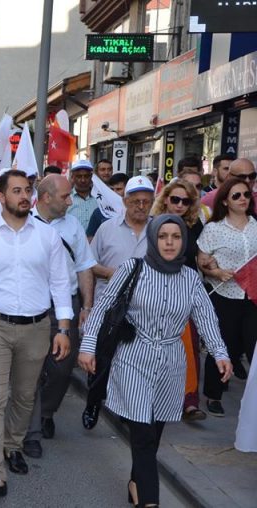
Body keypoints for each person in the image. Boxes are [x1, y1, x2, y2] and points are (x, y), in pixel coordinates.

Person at [79, 214, 232, 508]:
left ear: (184, 241)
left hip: (172, 365)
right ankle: (150, 501)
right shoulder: (132, 268)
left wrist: (221, 354)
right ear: (153, 239)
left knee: (154, 433)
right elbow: (102, 309)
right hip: (133, 358)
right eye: (163, 236)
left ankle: (136, 483)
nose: (170, 242)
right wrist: (87, 346)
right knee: (143, 435)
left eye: (176, 236)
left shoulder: (190, 279)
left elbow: (206, 319)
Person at [0, 169, 72, 501]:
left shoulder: (47, 236)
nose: (24, 196)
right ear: (1, 197)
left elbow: (59, 284)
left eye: (27, 190)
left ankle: (13, 445)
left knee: (25, 396)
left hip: (37, 327)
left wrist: (64, 328)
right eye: (16, 190)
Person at [23, 174, 96, 459]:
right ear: (46, 197)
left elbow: (85, 266)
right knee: (31, 369)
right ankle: (32, 427)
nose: (70, 201)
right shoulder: (25, 223)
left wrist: (86, 307)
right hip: (33, 306)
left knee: (61, 369)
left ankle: (47, 411)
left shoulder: (73, 225)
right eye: (65, 196)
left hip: (65, 306)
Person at [83, 175, 154, 429]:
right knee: (103, 360)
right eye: (136, 201)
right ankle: (93, 402)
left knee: (134, 363)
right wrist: (114, 274)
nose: (141, 206)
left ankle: (129, 407)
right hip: (110, 307)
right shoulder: (107, 228)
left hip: (145, 309)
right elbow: (89, 265)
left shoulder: (159, 230)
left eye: (146, 201)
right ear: (125, 201)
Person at [197, 177, 257, 415]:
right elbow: (202, 261)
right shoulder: (214, 229)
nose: (243, 198)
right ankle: (214, 394)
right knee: (222, 345)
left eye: (246, 194)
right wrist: (215, 271)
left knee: (253, 347)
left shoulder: (256, 224)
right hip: (223, 295)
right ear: (225, 201)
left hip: (252, 297)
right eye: (237, 196)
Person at [150, 178, 208, 421]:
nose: (180, 205)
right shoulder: (152, 224)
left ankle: (189, 401)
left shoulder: (196, 227)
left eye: (186, 201)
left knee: (189, 346)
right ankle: (151, 396)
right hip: (156, 291)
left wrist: (212, 265)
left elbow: (202, 257)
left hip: (187, 291)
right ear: (165, 199)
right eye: (175, 199)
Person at [86, 172, 129, 240]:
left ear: (127, 190)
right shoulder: (99, 212)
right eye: (111, 189)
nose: (114, 193)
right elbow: (90, 239)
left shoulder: (134, 212)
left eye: (118, 189)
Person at [67, 159, 98, 231]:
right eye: (79, 176)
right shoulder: (66, 198)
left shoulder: (100, 198)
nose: (83, 180)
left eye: (86, 176)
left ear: (91, 177)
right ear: (72, 177)